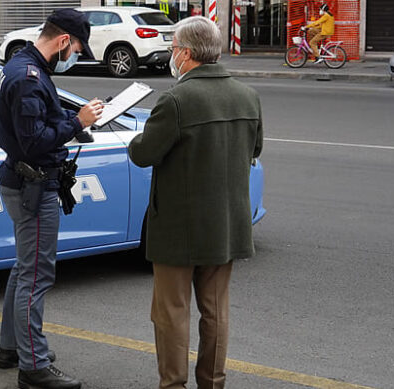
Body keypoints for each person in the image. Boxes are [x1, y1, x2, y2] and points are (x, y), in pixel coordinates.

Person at [128, 16, 263, 389]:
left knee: (171, 312)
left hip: (178, 226)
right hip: (227, 222)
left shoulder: (175, 99)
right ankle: (212, 382)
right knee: (216, 310)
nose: (172, 54)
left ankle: (173, 384)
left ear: (186, 54)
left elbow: (144, 153)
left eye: (173, 48)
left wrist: (134, 139)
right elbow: (254, 149)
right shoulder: (247, 96)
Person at [0, 8, 103, 389]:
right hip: (32, 187)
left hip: (22, 181)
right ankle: (34, 367)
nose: (75, 55)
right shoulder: (28, 77)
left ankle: (13, 349)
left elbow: (33, 126)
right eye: (76, 48)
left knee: (24, 270)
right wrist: (77, 123)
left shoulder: (21, 65)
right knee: (36, 276)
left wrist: (71, 120)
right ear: (63, 41)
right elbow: (34, 140)